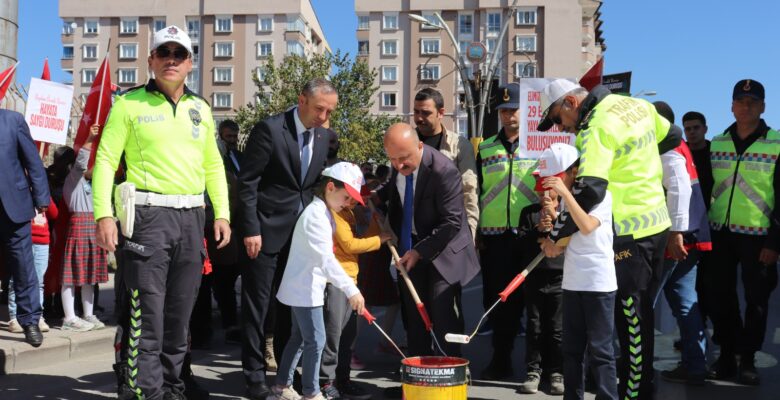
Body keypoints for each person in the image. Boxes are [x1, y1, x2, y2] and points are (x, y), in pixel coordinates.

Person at [93, 25, 231, 400]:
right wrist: (103, 214)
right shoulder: (128, 104)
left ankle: (172, 391)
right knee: (146, 321)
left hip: (191, 220)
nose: (171, 59)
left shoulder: (200, 109)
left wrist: (222, 213)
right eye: (164, 53)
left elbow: (213, 165)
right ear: (151, 60)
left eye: (179, 54)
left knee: (179, 322)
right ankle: (144, 394)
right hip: (148, 220)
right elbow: (105, 160)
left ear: (190, 63)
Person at [538, 78, 680, 400]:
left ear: (571, 104)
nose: (561, 129)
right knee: (640, 319)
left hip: (629, 234)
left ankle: (635, 394)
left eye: (559, 120)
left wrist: (556, 238)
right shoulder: (637, 105)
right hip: (655, 223)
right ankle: (641, 389)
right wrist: (637, 163)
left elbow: (589, 192)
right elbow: (673, 134)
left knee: (631, 326)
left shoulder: (595, 128)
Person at [238, 78, 337, 399]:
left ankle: (284, 375)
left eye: (329, 111)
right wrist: (250, 228)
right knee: (258, 308)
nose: (324, 116)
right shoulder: (269, 130)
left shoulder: (325, 136)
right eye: (320, 109)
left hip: (300, 240)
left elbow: (315, 184)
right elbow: (248, 182)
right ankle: (254, 377)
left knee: (290, 307)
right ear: (302, 100)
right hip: (264, 234)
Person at [378, 123, 480, 357]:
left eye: (404, 158)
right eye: (393, 159)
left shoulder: (443, 170)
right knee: (415, 316)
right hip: (411, 245)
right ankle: (418, 373)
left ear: (420, 145)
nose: (399, 165)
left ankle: (448, 370)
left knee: (443, 314)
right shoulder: (398, 165)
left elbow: (452, 222)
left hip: (444, 249)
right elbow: (394, 194)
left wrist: (419, 252)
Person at [703, 79, 780, 386]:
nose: (746, 106)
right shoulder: (718, 143)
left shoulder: (776, 143)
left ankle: (747, 360)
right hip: (720, 233)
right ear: (732, 106)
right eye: (740, 101)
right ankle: (727, 355)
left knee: (757, 301)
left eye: (752, 102)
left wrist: (775, 242)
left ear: (762, 107)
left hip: (759, 237)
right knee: (720, 298)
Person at [270, 162, 367, 400]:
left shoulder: (322, 211)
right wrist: (352, 290)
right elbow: (327, 260)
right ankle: (311, 393)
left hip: (304, 286)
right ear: (330, 187)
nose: (347, 203)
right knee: (316, 340)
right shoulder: (316, 216)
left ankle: (282, 386)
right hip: (305, 288)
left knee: (301, 338)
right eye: (346, 197)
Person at [539, 144, 618, 400]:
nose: (553, 184)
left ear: (573, 171)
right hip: (572, 283)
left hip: (598, 284)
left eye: (558, 177)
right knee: (571, 350)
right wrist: (550, 236)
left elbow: (586, 226)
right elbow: (560, 246)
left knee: (601, 351)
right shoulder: (564, 201)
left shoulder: (601, 195)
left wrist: (565, 195)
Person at [476, 83, 539, 380]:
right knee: (500, 303)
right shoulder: (486, 147)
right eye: (503, 110)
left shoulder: (538, 145)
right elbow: (476, 191)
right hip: (495, 237)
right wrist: (476, 232)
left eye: (513, 109)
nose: (508, 116)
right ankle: (500, 360)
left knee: (536, 305)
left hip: (530, 236)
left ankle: (535, 367)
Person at [649, 102, 711, 386]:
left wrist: (676, 233)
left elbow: (678, 188)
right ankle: (695, 365)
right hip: (689, 235)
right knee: (686, 302)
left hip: (675, 238)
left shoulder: (668, 145)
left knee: (643, 302)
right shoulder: (679, 144)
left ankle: (638, 367)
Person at [319, 185, 391, 400]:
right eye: (350, 198)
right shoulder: (333, 213)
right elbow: (350, 245)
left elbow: (367, 235)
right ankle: (326, 382)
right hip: (336, 280)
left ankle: (344, 379)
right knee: (333, 334)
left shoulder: (349, 212)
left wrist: (374, 224)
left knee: (348, 335)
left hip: (351, 279)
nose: (353, 203)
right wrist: (379, 240)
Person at [0, 109, 50, 347]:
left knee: (23, 265)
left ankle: (30, 321)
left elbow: (33, 162)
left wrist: (42, 200)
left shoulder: (12, 120)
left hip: (14, 207)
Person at [61, 125, 108, 332]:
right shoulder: (74, 178)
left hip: (92, 226)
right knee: (71, 276)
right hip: (80, 225)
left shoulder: (92, 183)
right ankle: (69, 318)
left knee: (90, 275)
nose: (93, 166)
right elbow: (81, 163)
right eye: (92, 163)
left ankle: (88, 314)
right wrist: (90, 138)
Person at [413, 88, 479, 238]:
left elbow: (469, 191)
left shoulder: (459, 145)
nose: (419, 118)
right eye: (416, 112)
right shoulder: (408, 143)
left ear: (441, 113)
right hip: (413, 233)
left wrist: (470, 233)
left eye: (426, 113)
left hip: (447, 231)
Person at [7, 196, 56, 334]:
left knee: (38, 282)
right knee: (17, 278)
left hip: (43, 241)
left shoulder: (41, 191)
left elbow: (54, 213)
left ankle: (37, 316)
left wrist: (44, 195)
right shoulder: (17, 190)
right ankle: (14, 318)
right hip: (22, 238)